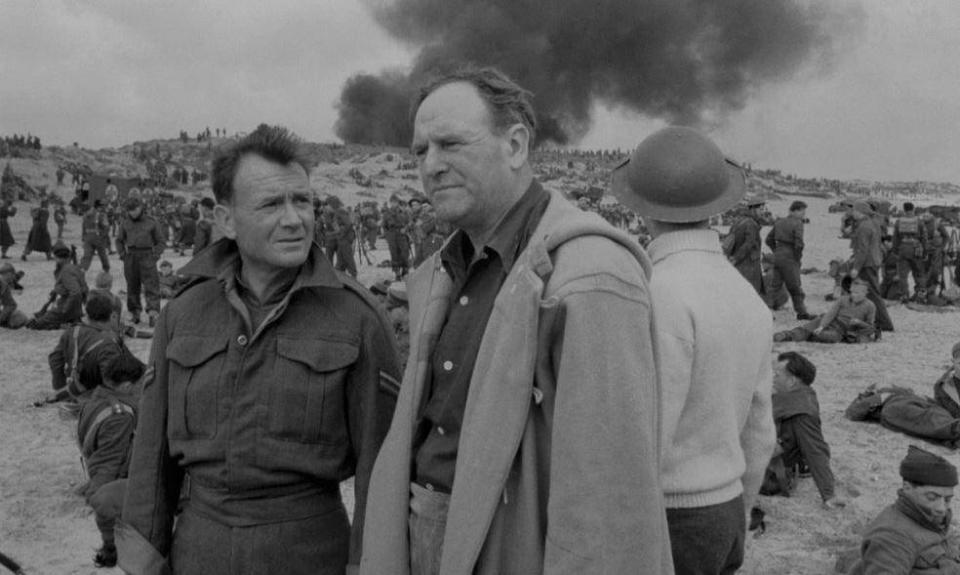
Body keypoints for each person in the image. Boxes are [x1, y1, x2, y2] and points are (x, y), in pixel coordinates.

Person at [361, 67, 672, 575]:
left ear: (516, 146)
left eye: (452, 143)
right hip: (430, 533)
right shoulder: (448, 266)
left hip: (508, 545)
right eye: (421, 151)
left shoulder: (590, 277)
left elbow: (607, 502)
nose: (431, 166)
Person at [117, 125, 401, 575]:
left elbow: (382, 475)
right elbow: (151, 458)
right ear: (226, 220)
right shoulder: (183, 314)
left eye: (302, 201)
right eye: (271, 204)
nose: (294, 219)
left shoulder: (358, 319)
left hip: (309, 554)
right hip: (198, 552)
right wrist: (142, 563)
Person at [611, 125, 775, 574]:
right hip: (725, 507)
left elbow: (649, 433)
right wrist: (740, 510)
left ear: (640, 208)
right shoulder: (748, 299)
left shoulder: (658, 292)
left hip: (669, 516)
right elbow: (761, 433)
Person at [77, 338, 144, 568]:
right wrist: (98, 494)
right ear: (126, 386)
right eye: (139, 385)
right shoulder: (120, 416)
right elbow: (107, 462)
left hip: (94, 462)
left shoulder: (96, 398)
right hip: (116, 479)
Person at [848, 445, 960, 574]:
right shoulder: (893, 537)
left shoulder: (925, 516)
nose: (942, 508)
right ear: (907, 488)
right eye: (931, 497)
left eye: (947, 499)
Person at [768, 352, 844, 508]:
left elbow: (816, 451)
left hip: (773, 474)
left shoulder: (801, 411)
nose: (772, 378)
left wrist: (828, 494)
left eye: (777, 374)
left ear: (792, 381)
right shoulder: (800, 394)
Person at [45, 292, 124, 403]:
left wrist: (60, 388)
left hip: (72, 391)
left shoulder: (71, 332)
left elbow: (54, 359)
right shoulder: (109, 343)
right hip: (95, 398)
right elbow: (113, 381)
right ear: (112, 315)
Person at [775, 276, 877, 343]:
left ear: (865, 293)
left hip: (841, 330)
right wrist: (822, 325)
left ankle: (809, 336)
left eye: (857, 293)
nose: (853, 295)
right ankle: (786, 335)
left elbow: (870, 327)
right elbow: (831, 313)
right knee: (806, 328)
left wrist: (859, 323)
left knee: (828, 337)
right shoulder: (843, 299)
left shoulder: (870, 306)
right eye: (852, 292)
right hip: (830, 321)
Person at [116, 196, 163, 326]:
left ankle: (153, 314)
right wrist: (122, 255)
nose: (133, 212)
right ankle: (134, 312)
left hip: (147, 255)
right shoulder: (124, 223)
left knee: (151, 285)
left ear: (141, 207)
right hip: (130, 257)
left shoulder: (152, 222)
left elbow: (160, 242)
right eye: (130, 210)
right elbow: (119, 240)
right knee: (132, 286)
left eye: (135, 209)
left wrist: (155, 256)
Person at [848, 200, 893, 331]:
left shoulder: (863, 227)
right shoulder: (873, 223)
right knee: (872, 292)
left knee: (872, 293)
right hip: (874, 260)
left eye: (855, 211)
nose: (853, 213)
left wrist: (856, 267)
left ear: (861, 212)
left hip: (867, 263)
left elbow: (862, 249)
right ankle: (876, 320)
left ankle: (884, 323)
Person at [766, 200, 815, 320]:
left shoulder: (779, 222)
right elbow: (799, 244)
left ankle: (764, 310)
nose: (804, 214)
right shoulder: (798, 223)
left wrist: (776, 251)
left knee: (774, 287)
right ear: (796, 211)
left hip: (778, 256)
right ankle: (802, 312)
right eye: (803, 211)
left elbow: (768, 239)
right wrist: (797, 258)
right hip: (790, 257)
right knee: (795, 286)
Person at [27, 242, 88, 330]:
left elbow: (76, 292)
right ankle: (69, 321)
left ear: (58, 257)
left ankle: (65, 322)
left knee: (34, 325)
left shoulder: (66, 271)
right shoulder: (73, 268)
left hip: (66, 306)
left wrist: (65, 310)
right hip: (75, 307)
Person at [725, 198, 765, 294]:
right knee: (751, 291)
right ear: (753, 209)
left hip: (739, 263)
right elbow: (749, 244)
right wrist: (736, 258)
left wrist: (733, 259)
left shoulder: (738, 221)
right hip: (749, 263)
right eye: (761, 209)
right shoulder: (751, 224)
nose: (762, 212)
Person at [894, 201, 927, 303]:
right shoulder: (919, 221)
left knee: (902, 275)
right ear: (913, 209)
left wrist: (895, 250)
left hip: (903, 249)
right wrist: (925, 252)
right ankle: (920, 296)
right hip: (916, 249)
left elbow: (895, 238)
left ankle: (904, 296)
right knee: (919, 273)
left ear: (904, 210)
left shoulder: (898, 221)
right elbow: (924, 238)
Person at [381, 194, 411, 280]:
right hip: (392, 235)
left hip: (402, 234)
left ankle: (405, 270)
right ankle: (397, 273)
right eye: (392, 202)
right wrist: (388, 236)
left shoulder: (404, 212)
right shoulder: (386, 213)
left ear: (398, 203)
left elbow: (409, 222)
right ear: (390, 203)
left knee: (404, 253)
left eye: (395, 202)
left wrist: (405, 229)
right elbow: (384, 226)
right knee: (394, 254)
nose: (393, 204)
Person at [80, 200, 111, 272]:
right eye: (102, 206)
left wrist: (83, 237)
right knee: (103, 255)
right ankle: (106, 269)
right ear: (99, 207)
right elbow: (106, 227)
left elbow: (83, 226)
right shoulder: (101, 215)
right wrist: (103, 236)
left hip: (88, 237)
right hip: (98, 238)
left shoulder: (86, 214)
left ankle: (83, 269)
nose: (103, 207)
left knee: (87, 255)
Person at [0, 262, 28, 328]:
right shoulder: (4, 284)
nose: (12, 278)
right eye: (12, 275)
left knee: (19, 317)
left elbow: (10, 305)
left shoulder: (4, 285)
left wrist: (1, 318)